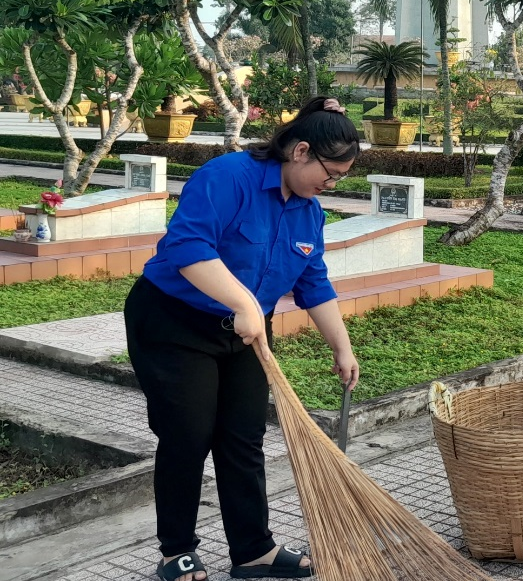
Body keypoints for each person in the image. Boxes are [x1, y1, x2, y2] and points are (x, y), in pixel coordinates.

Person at [125, 97, 362, 581]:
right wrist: (244, 303)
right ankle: (177, 551)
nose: (331, 184)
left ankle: (253, 551)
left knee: (243, 438)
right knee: (187, 436)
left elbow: (312, 280)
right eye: (330, 173)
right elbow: (187, 247)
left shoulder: (308, 212)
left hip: (245, 332)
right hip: (174, 323)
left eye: (339, 177)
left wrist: (342, 347)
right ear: (299, 152)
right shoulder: (226, 177)